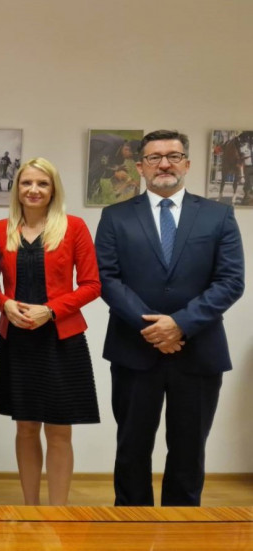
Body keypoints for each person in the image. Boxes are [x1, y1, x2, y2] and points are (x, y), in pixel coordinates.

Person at [96, 130, 245, 507]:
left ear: (188, 164)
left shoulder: (217, 215)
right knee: (131, 448)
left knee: (188, 451)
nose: (164, 163)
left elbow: (231, 281)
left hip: (198, 353)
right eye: (154, 157)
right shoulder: (115, 217)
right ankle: (131, 530)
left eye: (174, 156)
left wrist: (180, 324)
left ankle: (183, 532)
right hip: (134, 350)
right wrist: (153, 328)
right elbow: (108, 280)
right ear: (141, 167)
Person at [0, 158, 101, 506]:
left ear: (53, 190)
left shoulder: (74, 227)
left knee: (59, 429)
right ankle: (31, 509)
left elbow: (92, 284)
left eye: (42, 184)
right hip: (17, 339)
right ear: (17, 189)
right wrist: (5, 303)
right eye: (27, 184)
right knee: (25, 427)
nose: (34, 190)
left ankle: (58, 512)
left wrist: (51, 311)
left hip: (61, 340)